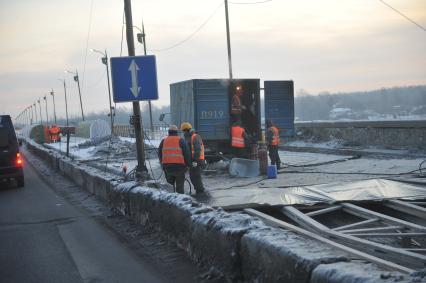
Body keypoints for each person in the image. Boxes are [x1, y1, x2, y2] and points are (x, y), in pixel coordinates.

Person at [158, 125, 191, 194]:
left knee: (170, 186)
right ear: (177, 132)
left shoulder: (164, 141)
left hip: (168, 168)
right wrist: (189, 164)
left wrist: (162, 164)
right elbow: (187, 154)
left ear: (169, 132)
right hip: (180, 168)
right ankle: (179, 200)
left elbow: (159, 153)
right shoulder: (181, 140)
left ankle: (171, 200)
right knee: (179, 187)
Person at [181, 122, 206, 194]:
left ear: (186, 130)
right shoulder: (189, 137)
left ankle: (200, 191)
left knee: (196, 176)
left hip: (197, 160)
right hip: (193, 160)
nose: (183, 133)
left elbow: (197, 149)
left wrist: (195, 160)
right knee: (193, 176)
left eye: (183, 131)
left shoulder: (195, 136)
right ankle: (198, 190)